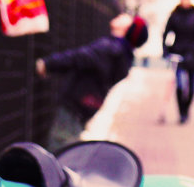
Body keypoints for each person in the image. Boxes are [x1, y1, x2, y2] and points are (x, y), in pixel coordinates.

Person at [35, 13, 149, 149]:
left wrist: (48, 64)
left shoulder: (109, 48)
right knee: (69, 143)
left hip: (75, 101)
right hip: (89, 103)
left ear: (127, 29)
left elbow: (79, 57)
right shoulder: (123, 56)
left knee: (60, 146)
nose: (123, 15)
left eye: (128, 19)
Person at [161, 0, 194, 123]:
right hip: (178, 54)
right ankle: (181, 113)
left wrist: (192, 47)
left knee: (191, 88)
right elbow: (166, 33)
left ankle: (186, 109)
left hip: (192, 55)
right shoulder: (175, 15)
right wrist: (166, 49)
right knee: (180, 85)